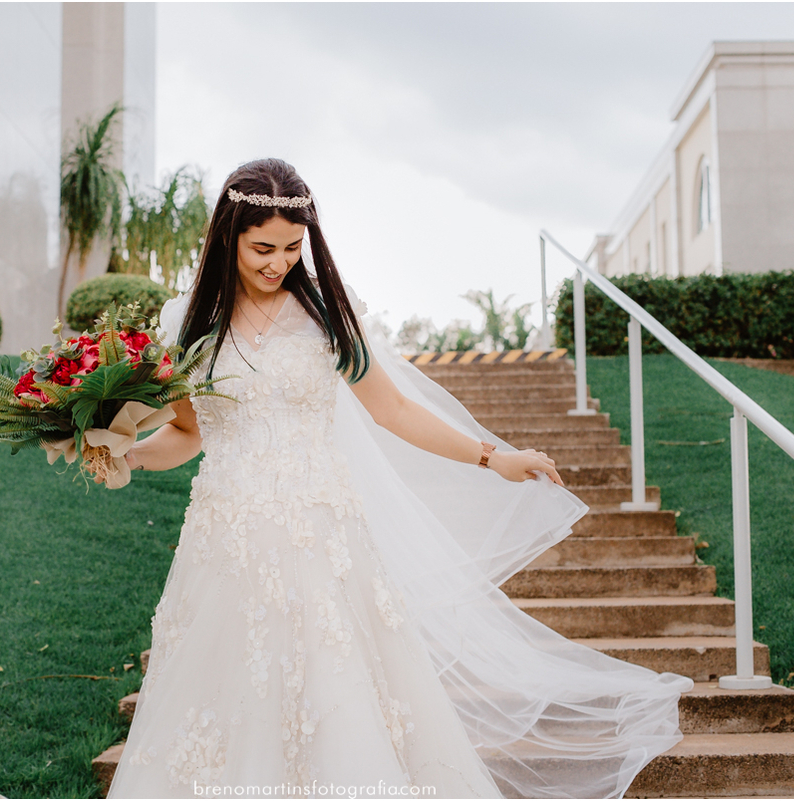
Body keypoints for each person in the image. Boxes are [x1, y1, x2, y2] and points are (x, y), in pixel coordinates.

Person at [107, 158, 692, 799]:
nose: (279, 262)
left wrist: (492, 455)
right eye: (263, 248)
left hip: (324, 540)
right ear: (228, 238)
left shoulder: (330, 315)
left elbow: (393, 410)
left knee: (337, 702)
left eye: (294, 248)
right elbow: (188, 434)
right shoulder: (185, 325)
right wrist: (128, 453)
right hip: (226, 544)